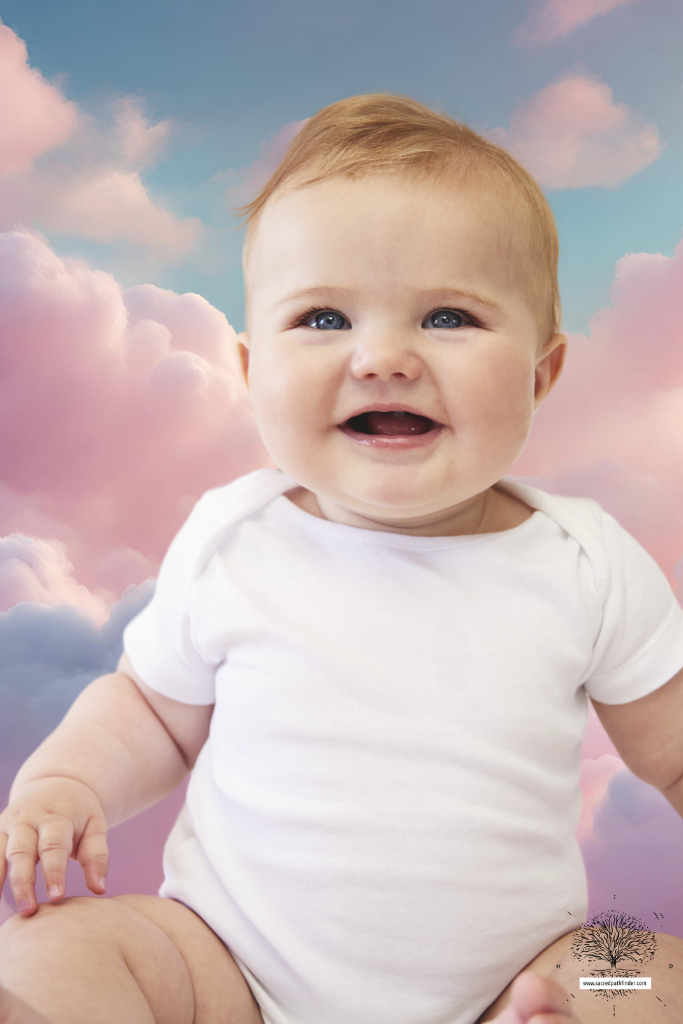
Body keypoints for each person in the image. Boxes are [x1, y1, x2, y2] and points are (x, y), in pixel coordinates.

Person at [1, 92, 682, 1024]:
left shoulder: (583, 560)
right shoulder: (232, 537)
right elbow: (152, 717)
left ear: (540, 373)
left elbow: (673, 751)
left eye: (447, 317)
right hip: (225, 967)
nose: (382, 356)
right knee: (58, 946)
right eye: (323, 318)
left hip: (516, 978)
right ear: (248, 371)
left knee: (647, 972)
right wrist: (66, 781)